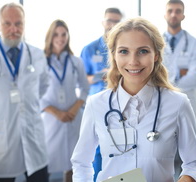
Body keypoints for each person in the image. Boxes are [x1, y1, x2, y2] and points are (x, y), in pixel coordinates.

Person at [71, 17, 196, 182]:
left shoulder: (178, 104)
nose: (133, 61)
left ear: (156, 55)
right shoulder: (96, 104)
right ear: (114, 55)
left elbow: (195, 163)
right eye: (124, 51)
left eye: (143, 51)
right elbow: (81, 163)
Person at [0, 3, 49, 182]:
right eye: (7, 23)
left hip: (33, 138)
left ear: (24, 25)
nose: (13, 29)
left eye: (18, 23)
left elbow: (44, 85)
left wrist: (28, 104)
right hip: (1, 140)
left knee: (38, 175)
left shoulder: (37, 55)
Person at [40, 19, 89, 182]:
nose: (60, 38)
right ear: (50, 36)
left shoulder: (76, 62)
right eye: (56, 34)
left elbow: (84, 88)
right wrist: (56, 112)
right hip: (51, 119)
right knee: (46, 161)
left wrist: (74, 109)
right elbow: (34, 93)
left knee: (73, 162)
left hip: (73, 117)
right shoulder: (41, 61)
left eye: (63, 34)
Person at [80, 8, 123, 181]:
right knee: (95, 149)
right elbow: (83, 79)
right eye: (110, 21)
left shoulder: (122, 48)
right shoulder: (89, 49)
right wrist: (104, 74)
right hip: (97, 103)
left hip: (120, 104)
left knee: (120, 146)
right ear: (103, 22)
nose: (112, 25)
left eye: (117, 21)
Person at [163, 0, 196, 134]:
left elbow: (195, 78)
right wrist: (179, 78)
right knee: (164, 144)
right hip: (162, 101)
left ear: (183, 16)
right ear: (165, 15)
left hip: (188, 99)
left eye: (178, 11)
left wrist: (166, 84)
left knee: (189, 143)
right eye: (170, 11)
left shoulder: (194, 44)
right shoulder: (155, 43)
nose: (174, 14)